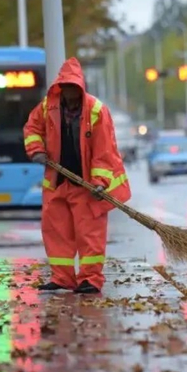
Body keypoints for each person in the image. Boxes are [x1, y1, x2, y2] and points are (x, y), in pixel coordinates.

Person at [23, 57, 131, 294]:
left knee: (89, 234)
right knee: (56, 231)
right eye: (66, 87)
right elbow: (32, 128)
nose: (70, 92)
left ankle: (90, 279)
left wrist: (100, 182)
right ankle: (62, 277)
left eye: (74, 88)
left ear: (81, 87)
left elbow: (104, 151)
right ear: (60, 87)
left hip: (86, 186)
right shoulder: (46, 107)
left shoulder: (96, 110)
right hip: (57, 182)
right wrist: (36, 150)